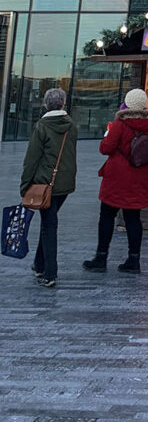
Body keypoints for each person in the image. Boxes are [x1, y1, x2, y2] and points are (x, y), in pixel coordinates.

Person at [83, 88, 148, 275]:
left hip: (117, 178)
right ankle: (134, 260)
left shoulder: (119, 124)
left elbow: (105, 148)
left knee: (107, 216)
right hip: (139, 177)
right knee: (133, 219)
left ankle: (101, 257)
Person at [20, 88, 78, 288]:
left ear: (46, 104)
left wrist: (25, 186)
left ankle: (50, 273)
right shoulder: (71, 125)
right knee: (48, 221)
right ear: (63, 103)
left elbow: (32, 159)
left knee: (49, 226)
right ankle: (39, 264)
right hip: (64, 184)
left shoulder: (42, 126)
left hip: (45, 184)